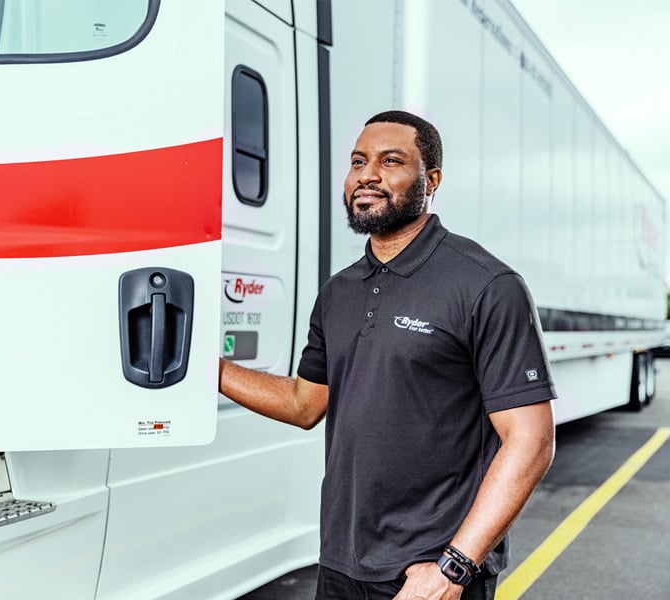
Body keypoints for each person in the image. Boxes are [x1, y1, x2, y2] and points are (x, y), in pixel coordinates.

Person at [219, 110, 556, 600]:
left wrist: (454, 567)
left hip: (430, 572)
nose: (367, 175)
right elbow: (303, 403)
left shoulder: (486, 285)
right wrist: (211, 372)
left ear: (431, 180)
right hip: (340, 563)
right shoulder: (339, 292)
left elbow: (530, 442)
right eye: (358, 162)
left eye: (391, 161)